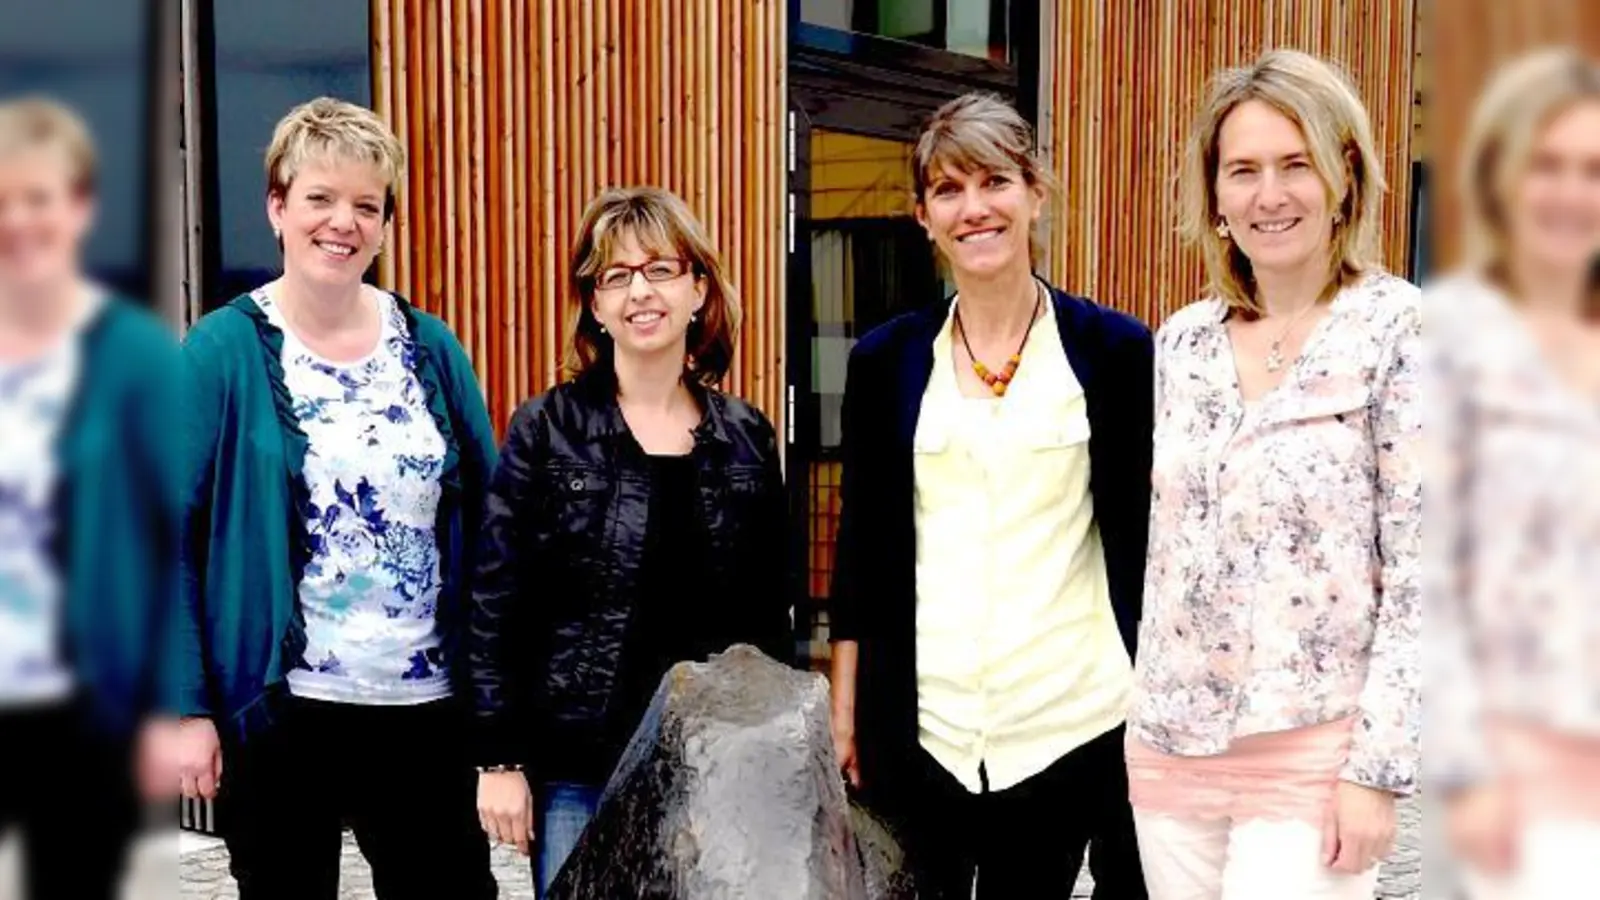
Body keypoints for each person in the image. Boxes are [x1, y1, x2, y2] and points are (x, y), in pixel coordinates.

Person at [826, 92, 1152, 899]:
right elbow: (860, 550)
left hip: (1069, 723)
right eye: (948, 189)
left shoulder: (1115, 352)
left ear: (1035, 193)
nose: (974, 208)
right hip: (922, 731)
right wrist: (845, 712)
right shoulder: (885, 361)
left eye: (994, 182)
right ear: (922, 217)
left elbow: (1148, 540)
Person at [176, 97, 499, 899]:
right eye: (320, 198)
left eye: (366, 204)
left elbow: (495, 527)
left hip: (426, 710)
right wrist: (181, 708)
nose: (342, 222)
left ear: (386, 223)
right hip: (285, 713)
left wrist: (502, 721)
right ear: (277, 207)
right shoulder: (221, 349)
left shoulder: (431, 345)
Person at [1126, 49, 1420, 899]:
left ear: (1343, 178)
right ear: (1215, 197)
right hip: (1172, 746)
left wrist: (1378, 771)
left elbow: (1425, 572)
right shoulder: (1181, 342)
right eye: (1244, 170)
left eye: (1296, 165)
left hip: (1314, 749)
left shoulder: (1399, 331)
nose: (1270, 195)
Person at [468, 185, 792, 896]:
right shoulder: (548, 429)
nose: (640, 292)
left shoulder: (746, 437)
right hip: (581, 769)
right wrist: (498, 760)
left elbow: (771, 616)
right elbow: (496, 602)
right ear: (594, 302)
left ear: (699, 289)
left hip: (712, 772)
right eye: (616, 276)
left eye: (661, 270)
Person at [1427, 48, 1600, 900]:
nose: (1572, 193)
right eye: (1548, 166)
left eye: (1592, 171)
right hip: (1522, 772)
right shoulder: (1454, 337)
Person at [0, 95, 177, 900]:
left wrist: (164, 708)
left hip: (85, 711)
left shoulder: (135, 355)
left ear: (78, 208)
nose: (18, 220)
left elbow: (174, 538)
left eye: (37, 198)